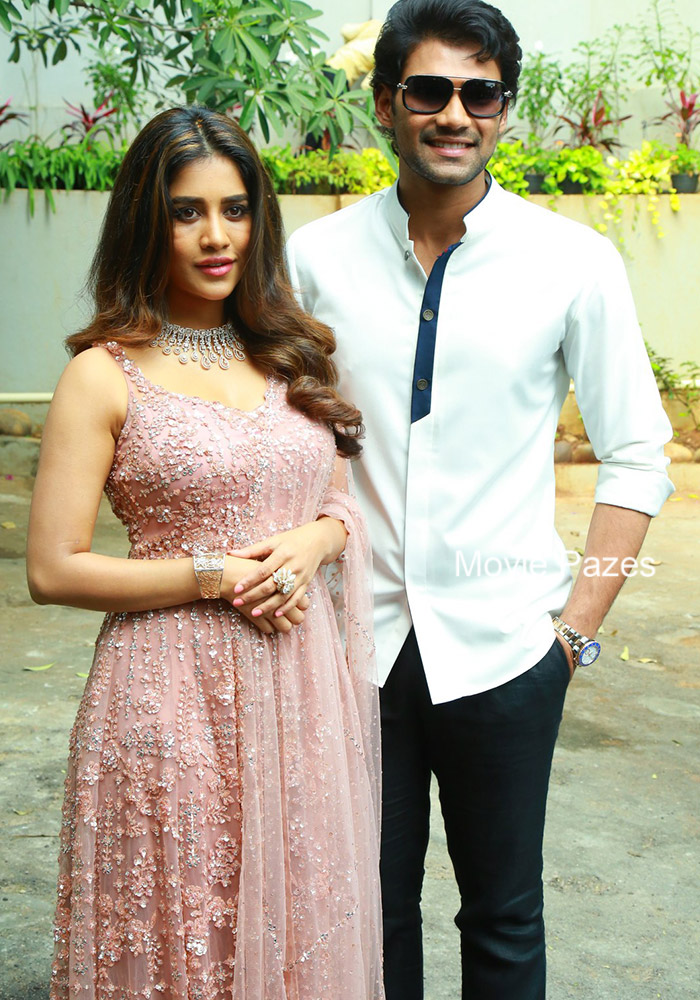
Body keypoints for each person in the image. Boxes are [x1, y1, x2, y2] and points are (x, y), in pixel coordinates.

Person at [285, 1, 674, 997]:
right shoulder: (316, 261)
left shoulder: (570, 262)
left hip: (508, 650)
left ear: (504, 109)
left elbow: (638, 454)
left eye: (479, 93)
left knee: (502, 914)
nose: (454, 113)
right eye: (429, 90)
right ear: (386, 104)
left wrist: (574, 634)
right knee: (366, 910)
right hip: (352, 648)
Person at [27, 106, 383, 1000]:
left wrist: (319, 537)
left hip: (300, 696)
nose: (216, 236)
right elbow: (53, 568)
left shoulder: (289, 355)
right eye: (187, 212)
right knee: (187, 932)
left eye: (235, 209)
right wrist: (213, 574)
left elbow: (336, 500)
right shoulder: (102, 374)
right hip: (167, 695)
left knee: (297, 927)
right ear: (146, 222)